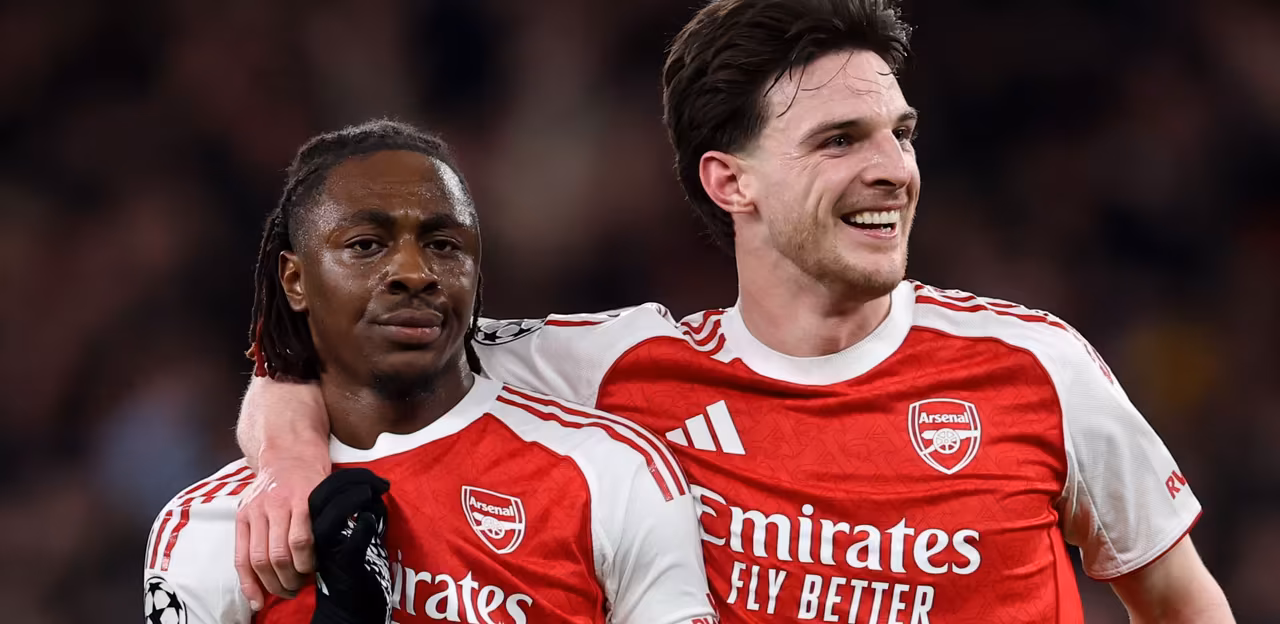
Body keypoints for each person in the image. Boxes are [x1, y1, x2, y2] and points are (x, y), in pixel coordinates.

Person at [234, 1, 1236, 622]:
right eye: (839, 140)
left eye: (900, 133)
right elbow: (329, 359)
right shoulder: (613, 372)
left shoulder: (1036, 367)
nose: (893, 168)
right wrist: (286, 461)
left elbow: (1181, 602)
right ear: (731, 181)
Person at [144, 120, 718, 624]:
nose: (414, 272)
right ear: (295, 281)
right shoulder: (211, 526)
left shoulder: (610, 471)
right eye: (366, 245)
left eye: (444, 245)